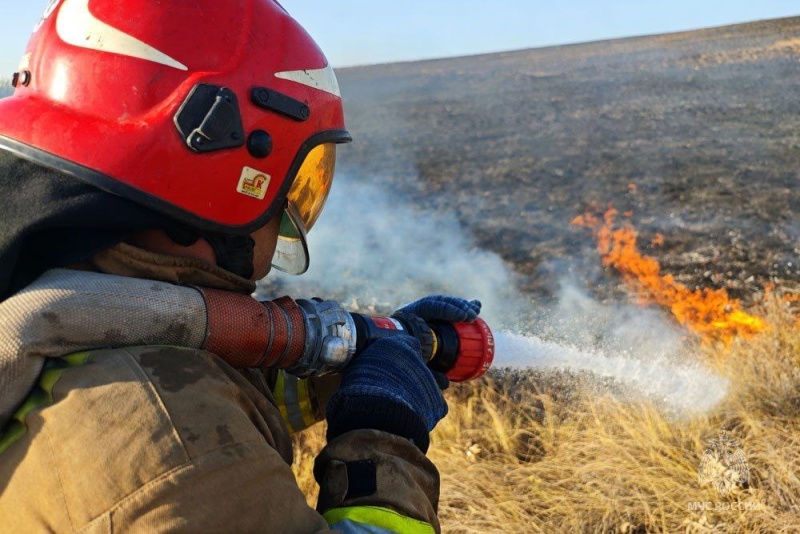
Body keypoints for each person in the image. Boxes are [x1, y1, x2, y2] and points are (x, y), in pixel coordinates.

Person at [0, 1, 482, 532]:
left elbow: (216, 384)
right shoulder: (173, 445)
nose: (288, 214)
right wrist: (384, 434)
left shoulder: (59, 293)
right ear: (212, 165)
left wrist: (362, 362)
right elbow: (196, 410)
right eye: (296, 185)